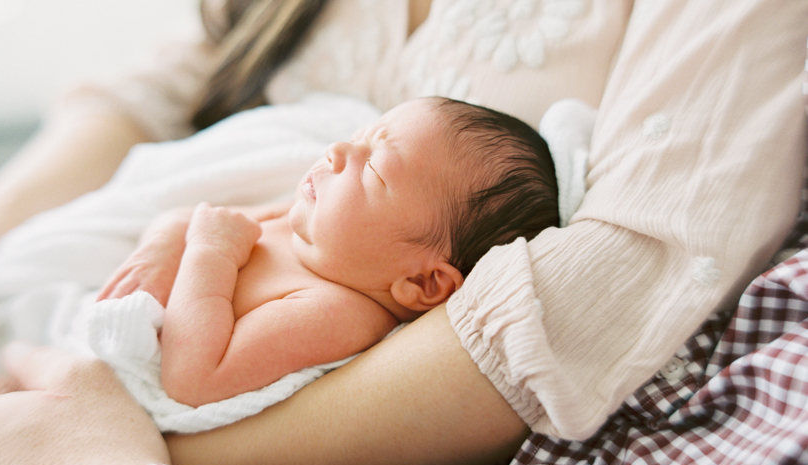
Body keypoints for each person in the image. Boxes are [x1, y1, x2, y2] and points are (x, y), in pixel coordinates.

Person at [0, 0, 806, 465]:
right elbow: (175, 76)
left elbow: (624, 276)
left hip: (189, 407)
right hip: (75, 295)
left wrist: (118, 450)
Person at [95, 96, 558, 413]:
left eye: (374, 167)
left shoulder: (335, 312)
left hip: (119, 388)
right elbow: (197, 218)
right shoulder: (305, 224)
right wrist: (163, 242)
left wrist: (209, 254)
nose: (338, 151)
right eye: (360, 137)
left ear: (423, 283)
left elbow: (194, 380)